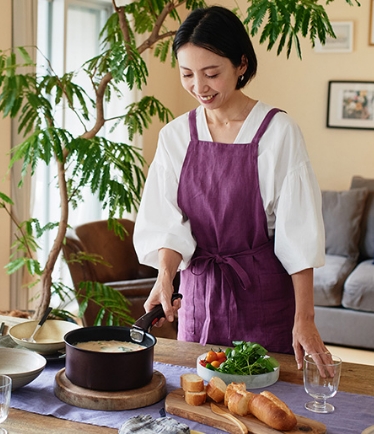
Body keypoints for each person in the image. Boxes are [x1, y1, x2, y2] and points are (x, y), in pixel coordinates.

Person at [134, 5, 328, 369]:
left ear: (241, 64)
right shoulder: (175, 136)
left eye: (211, 74)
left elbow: (298, 236)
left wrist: (306, 319)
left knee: (268, 403)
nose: (199, 87)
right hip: (200, 295)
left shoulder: (277, 132)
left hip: (264, 298)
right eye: (187, 74)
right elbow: (166, 224)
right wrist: (164, 278)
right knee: (201, 402)